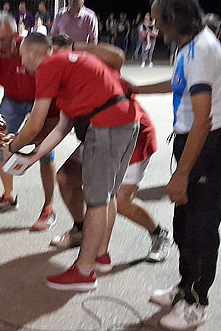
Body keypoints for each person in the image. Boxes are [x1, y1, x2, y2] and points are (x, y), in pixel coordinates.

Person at [134, 0, 221, 331]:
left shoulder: (202, 50)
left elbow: (203, 120)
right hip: (192, 143)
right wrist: (136, 88)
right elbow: (178, 84)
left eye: (159, 20)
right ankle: (185, 287)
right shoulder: (188, 47)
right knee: (184, 226)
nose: (156, 27)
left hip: (207, 146)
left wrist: (181, 175)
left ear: (175, 17)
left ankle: (196, 303)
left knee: (200, 230)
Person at [4, 33, 139, 291]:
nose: (22, 62)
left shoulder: (49, 65)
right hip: (125, 122)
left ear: (32, 53)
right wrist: (32, 157)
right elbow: (62, 127)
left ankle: (84, 272)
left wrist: (11, 146)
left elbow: (34, 124)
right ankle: (101, 256)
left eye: (22, 56)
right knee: (106, 194)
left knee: (97, 201)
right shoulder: (68, 65)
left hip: (107, 126)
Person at [48, 34, 172, 261]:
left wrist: (73, 46)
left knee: (118, 200)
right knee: (66, 177)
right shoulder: (56, 78)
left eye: (60, 54)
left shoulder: (94, 66)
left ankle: (158, 233)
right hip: (98, 136)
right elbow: (54, 123)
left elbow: (117, 56)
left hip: (131, 133)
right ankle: (81, 229)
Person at [0, 11, 58, 231]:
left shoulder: (29, 49)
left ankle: (49, 207)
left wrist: (34, 121)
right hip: (12, 99)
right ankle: (8, 196)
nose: (0, 45)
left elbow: (50, 81)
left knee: (45, 150)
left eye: (6, 40)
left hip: (40, 99)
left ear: (16, 35)